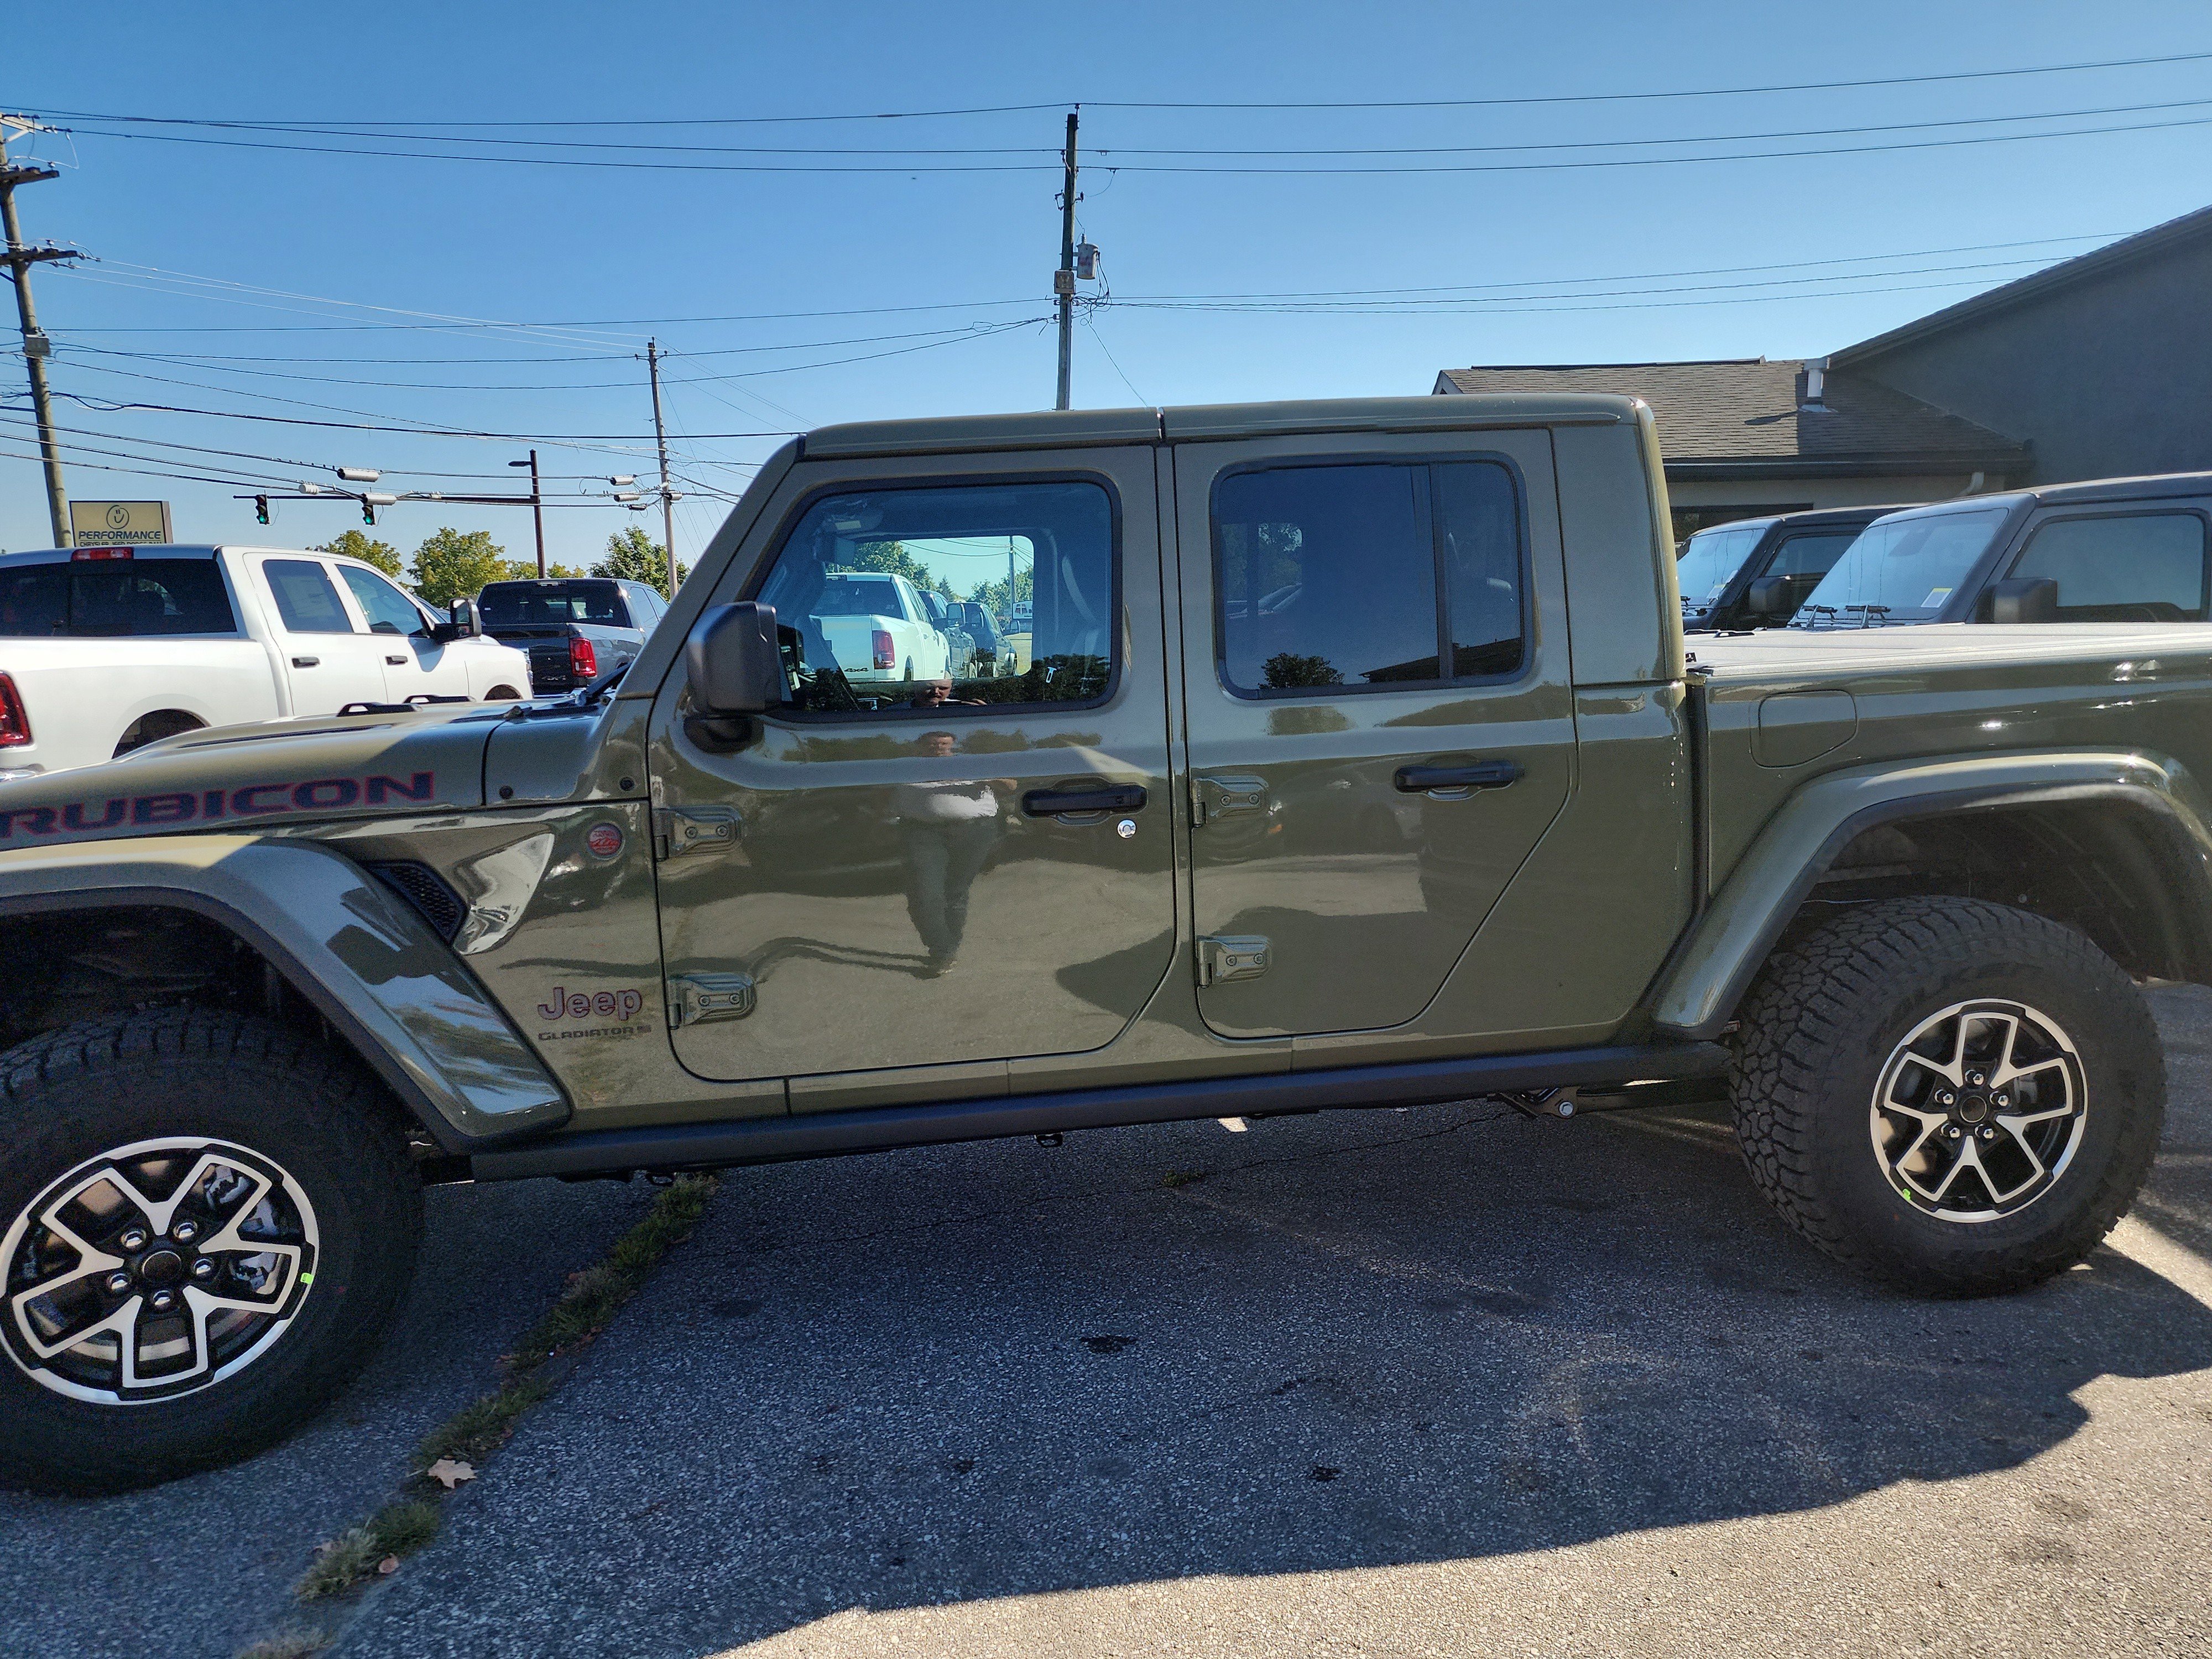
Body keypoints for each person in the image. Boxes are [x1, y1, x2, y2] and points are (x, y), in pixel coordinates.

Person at [893, 731, 1001, 975]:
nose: (939, 745)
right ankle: (943, 949)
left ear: (953, 742)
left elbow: (1010, 784)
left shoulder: (973, 759)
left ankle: (947, 952)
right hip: (921, 832)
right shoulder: (903, 763)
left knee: (956, 892)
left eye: (945, 741)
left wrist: (983, 774)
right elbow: (879, 790)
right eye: (933, 741)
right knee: (923, 895)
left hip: (974, 831)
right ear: (920, 742)